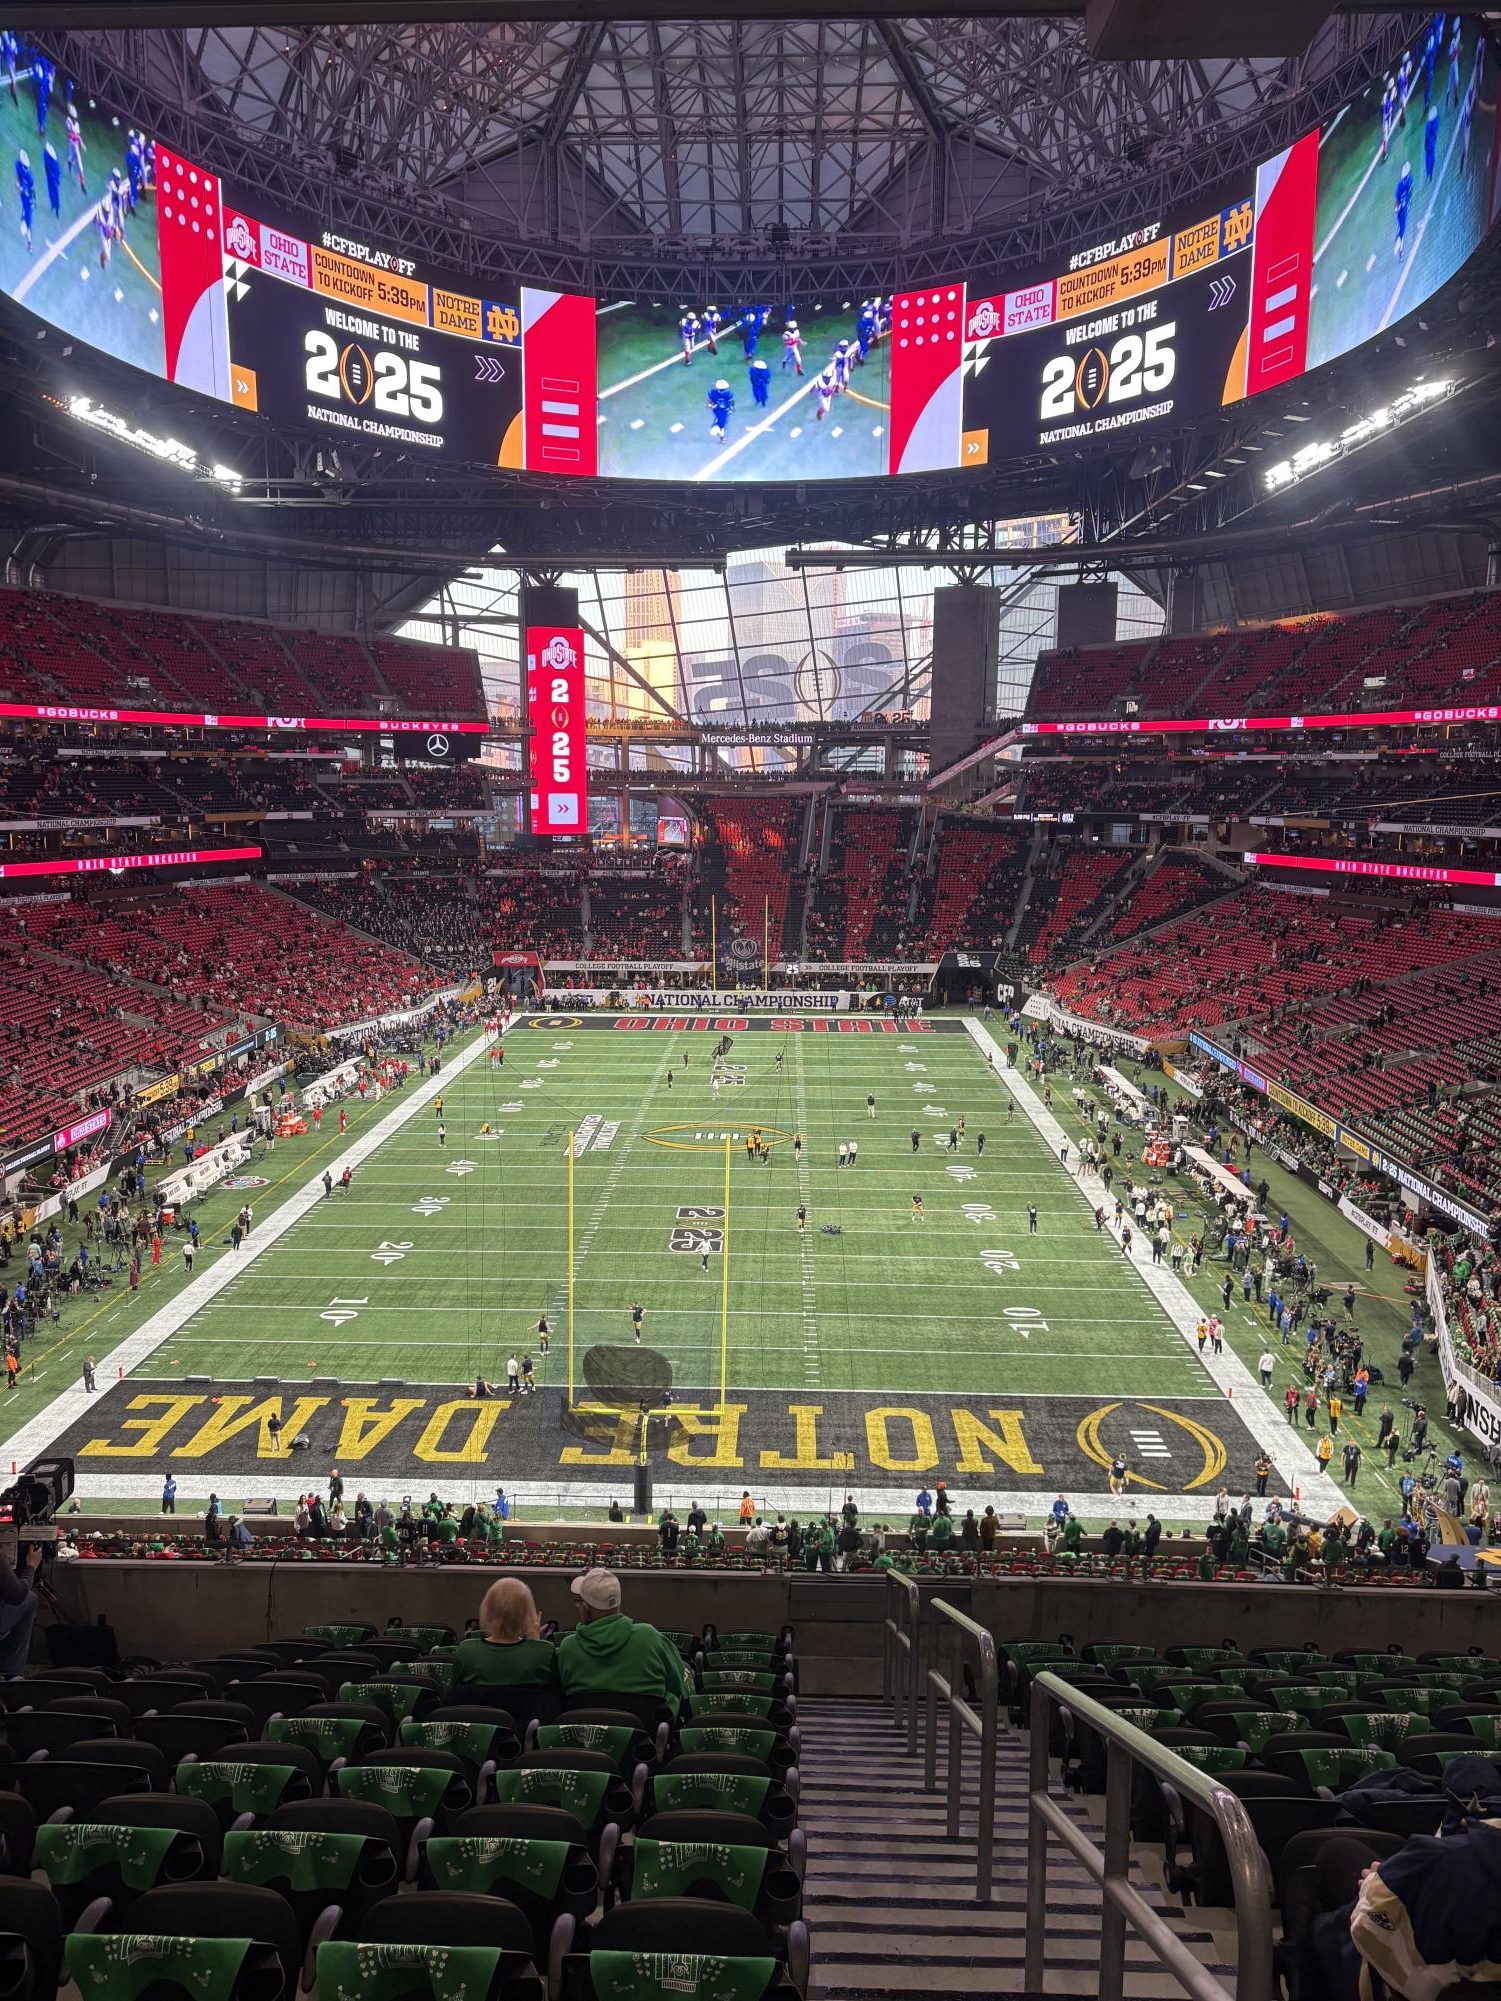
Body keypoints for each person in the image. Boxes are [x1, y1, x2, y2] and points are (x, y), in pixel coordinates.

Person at [556, 1569, 688, 1703]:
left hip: (582, 1722)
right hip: (647, 1723)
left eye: (579, 1601)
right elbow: (677, 1685)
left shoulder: (568, 1647)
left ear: (585, 1607)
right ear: (617, 1602)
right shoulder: (650, 1637)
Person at [455, 1578, 560, 1696]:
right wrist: (535, 1643)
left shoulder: (466, 1651)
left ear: (488, 1609)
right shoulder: (545, 1652)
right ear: (526, 1613)